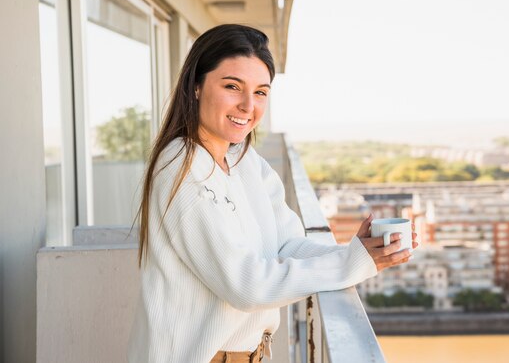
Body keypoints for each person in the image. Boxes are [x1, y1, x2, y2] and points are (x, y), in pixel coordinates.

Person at [127, 24, 417, 363]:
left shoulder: (244, 160)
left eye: (261, 92)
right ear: (195, 86)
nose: (248, 106)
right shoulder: (180, 167)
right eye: (232, 86)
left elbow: (287, 245)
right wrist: (350, 265)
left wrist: (359, 252)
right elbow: (245, 285)